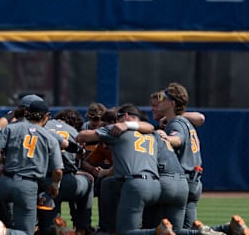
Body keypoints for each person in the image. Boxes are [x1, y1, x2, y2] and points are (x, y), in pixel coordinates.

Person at [76, 104, 161, 235]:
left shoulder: (118, 130)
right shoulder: (153, 134)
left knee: (126, 232)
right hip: (157, 185)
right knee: (108, 183)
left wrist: (106, 129)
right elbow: (151, 127)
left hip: (135, 184)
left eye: (117, 118)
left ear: (125, 116)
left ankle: (158, 232)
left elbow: (81, 136)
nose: (115, 122)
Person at [0, 97, 64, 235]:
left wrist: (2, 163)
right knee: (26, 232)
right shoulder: (48, 137)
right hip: (26, 185)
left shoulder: (10, 128)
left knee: (11, 222)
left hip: (4, 183)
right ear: (46, 116)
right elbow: (58, 171)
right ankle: (3, 232)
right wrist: (55, 186)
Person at [155, 83, 204, 229]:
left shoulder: (176, 123)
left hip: (185, 181)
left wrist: (166, 138)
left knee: (173, 229)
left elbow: (178, 139)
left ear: (172, 103)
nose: (159, 100)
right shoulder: (185, 121)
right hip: (195, 181)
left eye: (163, 98)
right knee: (188, 230)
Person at [41, 108, 94, 235]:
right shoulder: (74, 131)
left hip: (42, 181)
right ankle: (82, 226)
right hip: (66, 180)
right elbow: (73, 164)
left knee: (48, 227)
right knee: (88, 181)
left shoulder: (43, 126)